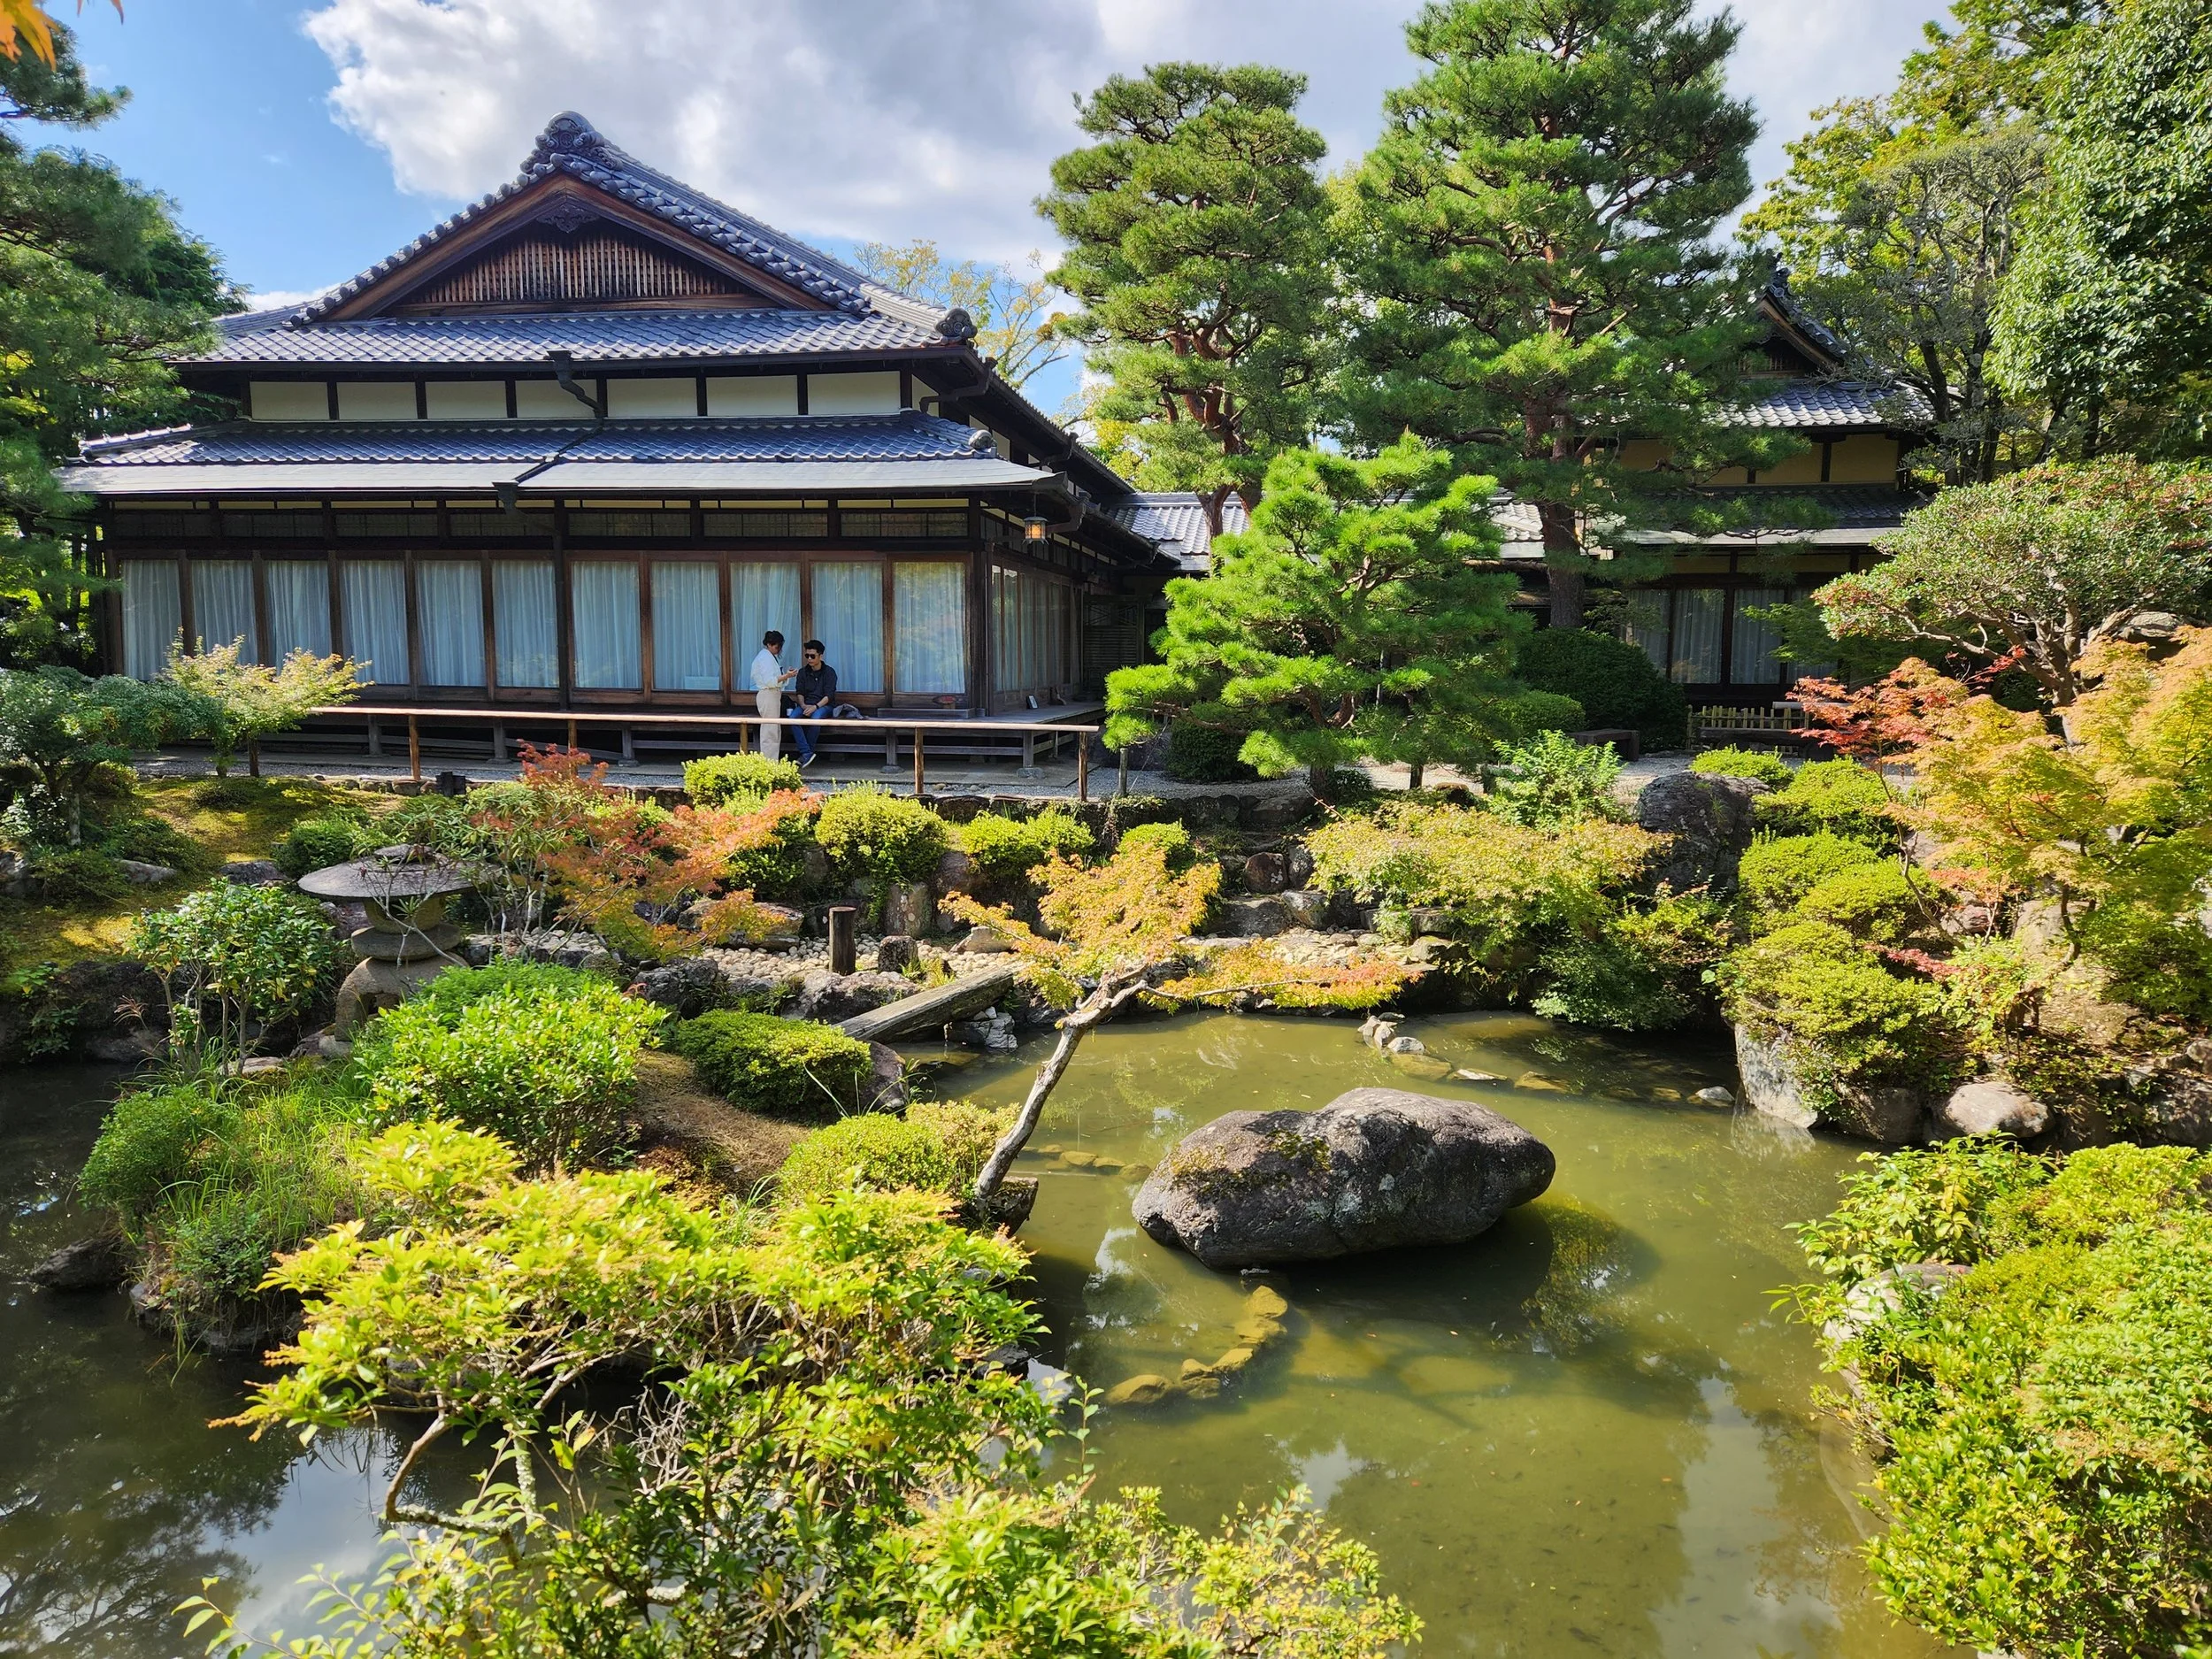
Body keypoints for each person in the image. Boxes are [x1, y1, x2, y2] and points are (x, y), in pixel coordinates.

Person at [786, 639, 838, 769]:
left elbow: (829, 695)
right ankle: (807, 753)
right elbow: (799, 692)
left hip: (824, 705)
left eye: (812, 656)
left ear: (820, 656)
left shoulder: (829, 672)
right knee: (792, 719)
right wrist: (803, 705)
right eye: (807, 655)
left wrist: (816, 707)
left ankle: (805, 754)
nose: (809, 659)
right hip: (806, 704)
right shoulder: (803, 672)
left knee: (815, 719)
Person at [749, 631, 795, 761]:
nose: (778, 649)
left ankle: (772, 761)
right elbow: (770, 681)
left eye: (780, 646)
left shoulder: (770, 657)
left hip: (773, 694)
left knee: (774, 729)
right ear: (769, 644)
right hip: (768, 694)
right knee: (770, 730)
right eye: (776, 646)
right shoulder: (765, 658)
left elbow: (775, 680)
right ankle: (769, 762)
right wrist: (787, 676)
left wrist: (786, 676)